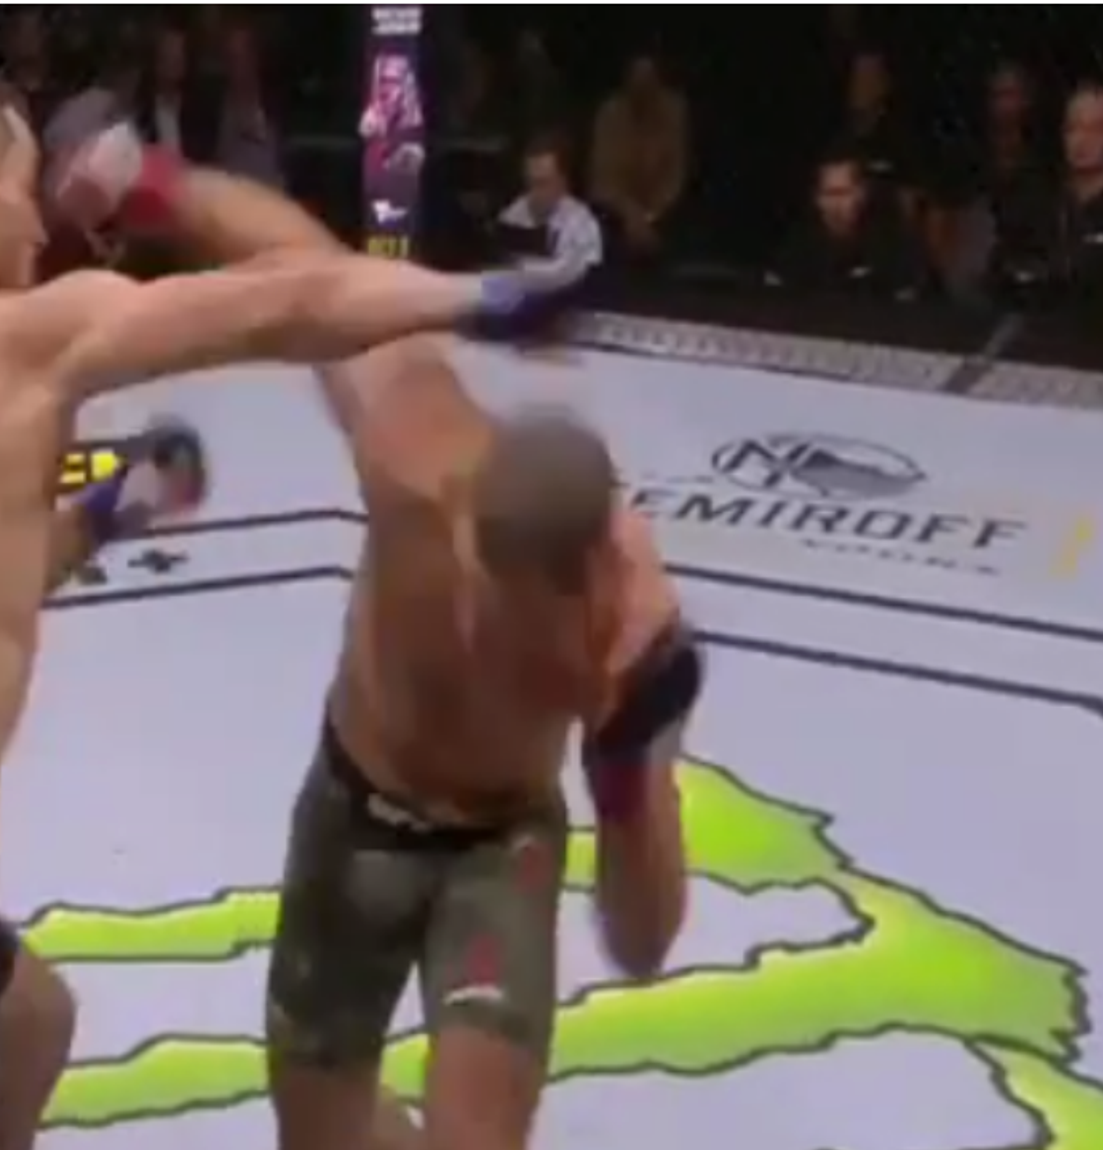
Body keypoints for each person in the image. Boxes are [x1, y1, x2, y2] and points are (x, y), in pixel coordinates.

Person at [0, 63, 584, 1150]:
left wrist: (108, 512)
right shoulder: (24, 341)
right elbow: (287, 303)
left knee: (37, 1020)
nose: (41, 223)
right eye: (24, 185)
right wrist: (486, 299)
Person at [111, 140, 695, 1150]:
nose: (482, 631)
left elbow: (642, 943)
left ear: (586, 592)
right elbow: (306, 267)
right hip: (356, 809)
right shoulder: (414, 445)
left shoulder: (631, 644)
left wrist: (625, 783)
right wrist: (157, 185)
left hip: (498, 845)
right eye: (480, 594)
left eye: (517, 629)